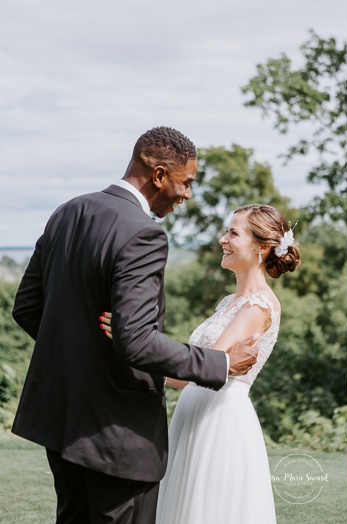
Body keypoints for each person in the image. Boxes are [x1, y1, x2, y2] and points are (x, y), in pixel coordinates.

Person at [11, 127, 258, 523]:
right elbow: (137, 342)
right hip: (119, 433)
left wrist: (83, 353)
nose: (187, 195)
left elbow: (26, 308)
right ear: (159, 175)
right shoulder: (143, 234)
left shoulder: (68, 211)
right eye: (186, 182)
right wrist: (221, 364)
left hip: (60, 419)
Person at [102, 204, 299, 523]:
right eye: (226, 231)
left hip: (220, 419)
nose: (223, 239)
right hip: (192, 411)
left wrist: (135, 339)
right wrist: (133, 344)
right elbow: (185, 375)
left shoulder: (258, 306)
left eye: (233, 233)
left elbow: (205, 366)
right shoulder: (228, 303)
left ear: (262, 247)